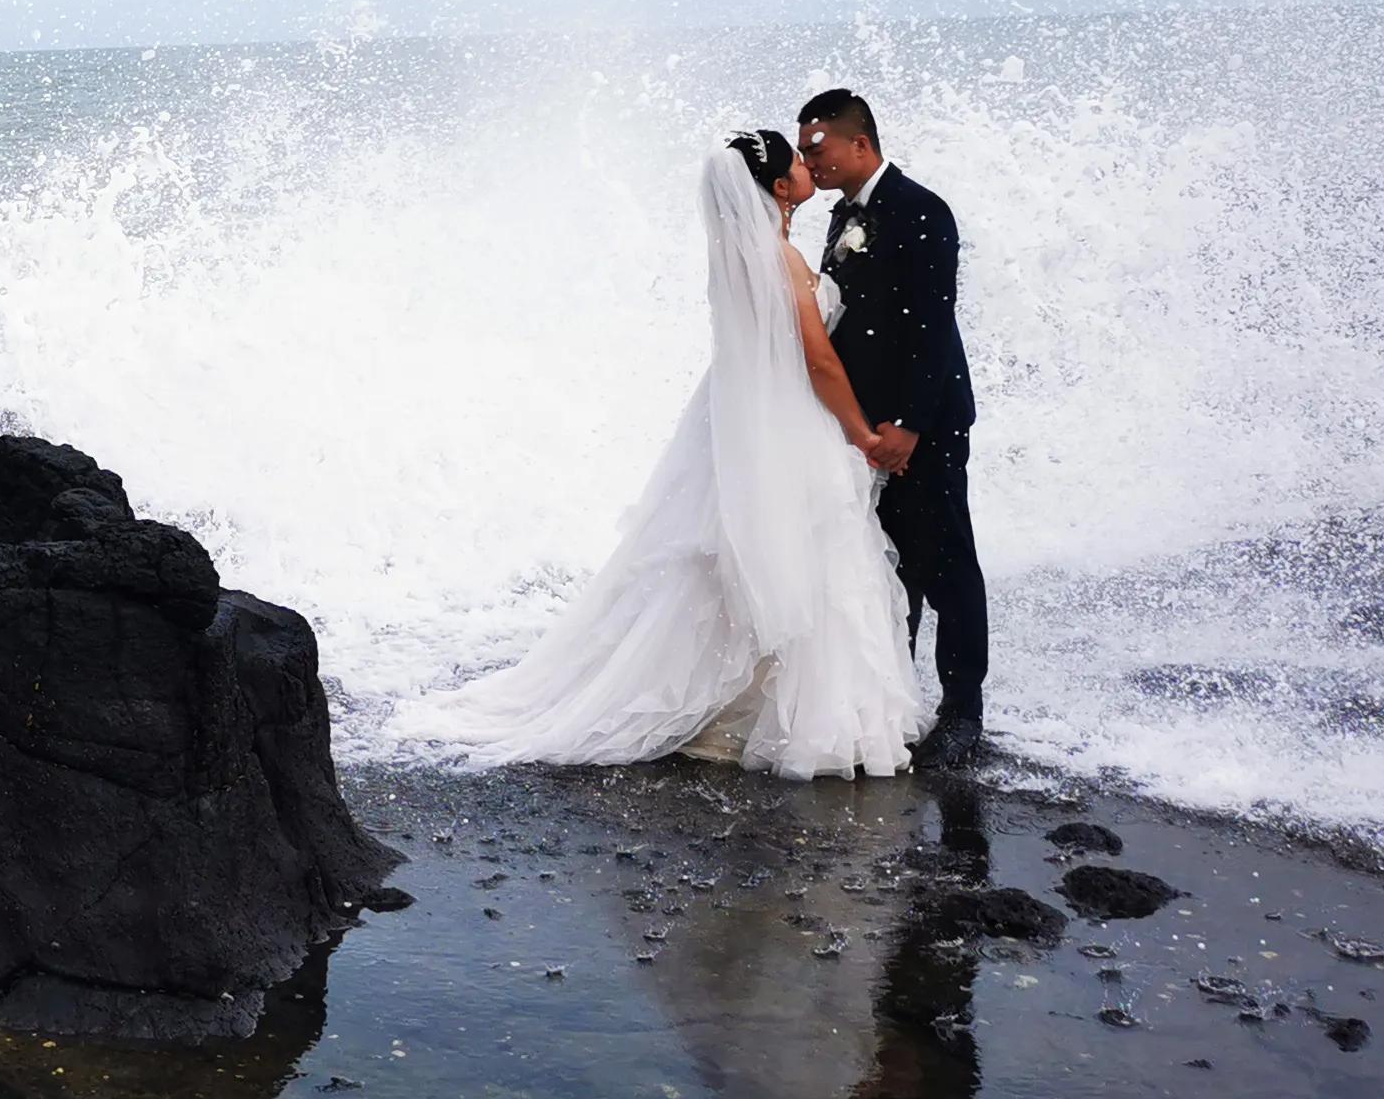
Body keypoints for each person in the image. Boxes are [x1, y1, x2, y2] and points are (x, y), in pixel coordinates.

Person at [393, 131, 928, 777]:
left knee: (746, 552)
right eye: (796, 158)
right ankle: (773, 710)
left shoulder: (738, 254)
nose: (806, 162)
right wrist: (862, 433)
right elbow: (816, 359)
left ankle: (739, 700)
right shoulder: (779, 260)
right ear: (780, 188)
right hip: (788, 419)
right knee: (803, 553)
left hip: (740, 417)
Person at [797, 88, 986, 771]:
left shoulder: (922, 209)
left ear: (860, 143)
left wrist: (906, 423)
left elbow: (933, 328)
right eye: (803, 148)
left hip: (923, 423)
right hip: (866, 433)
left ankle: (963, 712)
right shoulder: (840, 218)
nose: (809, 159)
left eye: (818, 146)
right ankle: (894, 703)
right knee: (886, 567)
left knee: (946, 564)